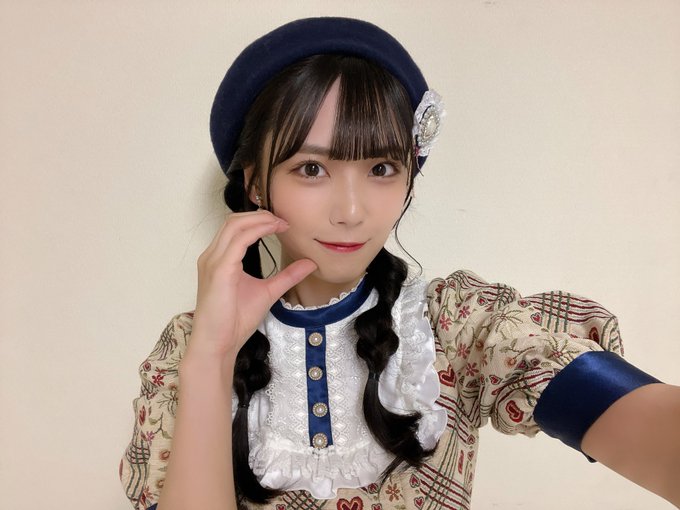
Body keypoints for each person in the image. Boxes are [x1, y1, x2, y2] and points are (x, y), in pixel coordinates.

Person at [119, 17, 680, 510]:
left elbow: (629, 416)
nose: (352, 212)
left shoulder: (455, 327)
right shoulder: (187, 352)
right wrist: (212, 359)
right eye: (312, 169)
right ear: (255, 184)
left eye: (381, 169)